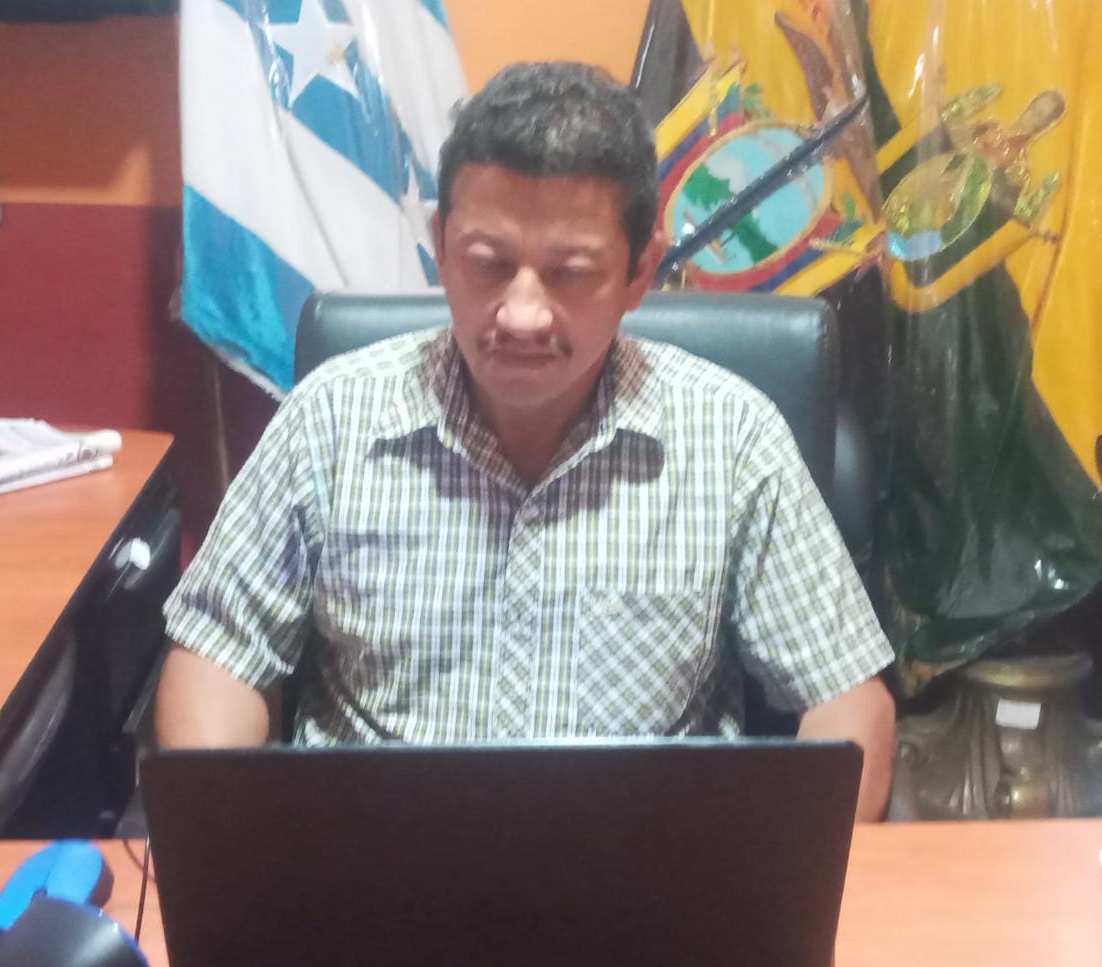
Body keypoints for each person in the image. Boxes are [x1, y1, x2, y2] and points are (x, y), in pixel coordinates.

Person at [155, 61, 896, 821]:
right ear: (442, 247)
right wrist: (227, 837)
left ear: (640, 272)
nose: (521, 315)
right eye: (489, 265)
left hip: (645, 859)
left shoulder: (731, 437)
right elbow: (218, 654)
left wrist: (784, 872)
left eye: (570, 273)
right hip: (369, 854)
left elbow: (847, 699)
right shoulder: (332, 417)